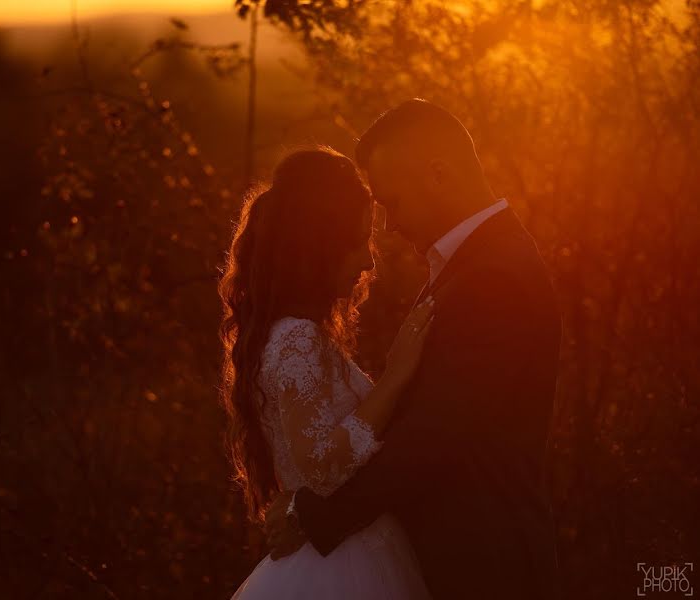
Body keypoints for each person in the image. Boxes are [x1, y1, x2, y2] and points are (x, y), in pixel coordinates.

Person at [263, 99, 562, 600]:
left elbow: (435, 436)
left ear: (438, 174)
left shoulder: (494, 276)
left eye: (392, 202)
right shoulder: (473, 262)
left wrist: (314, 515)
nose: (388, 224)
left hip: (485, 567)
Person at [220, 145, 434, 599]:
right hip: (341, 565)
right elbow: (320, 468)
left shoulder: (297, 335)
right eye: (359, 241)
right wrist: (395, 378)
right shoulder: (298, 339)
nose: (368, 262)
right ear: (321, 245)